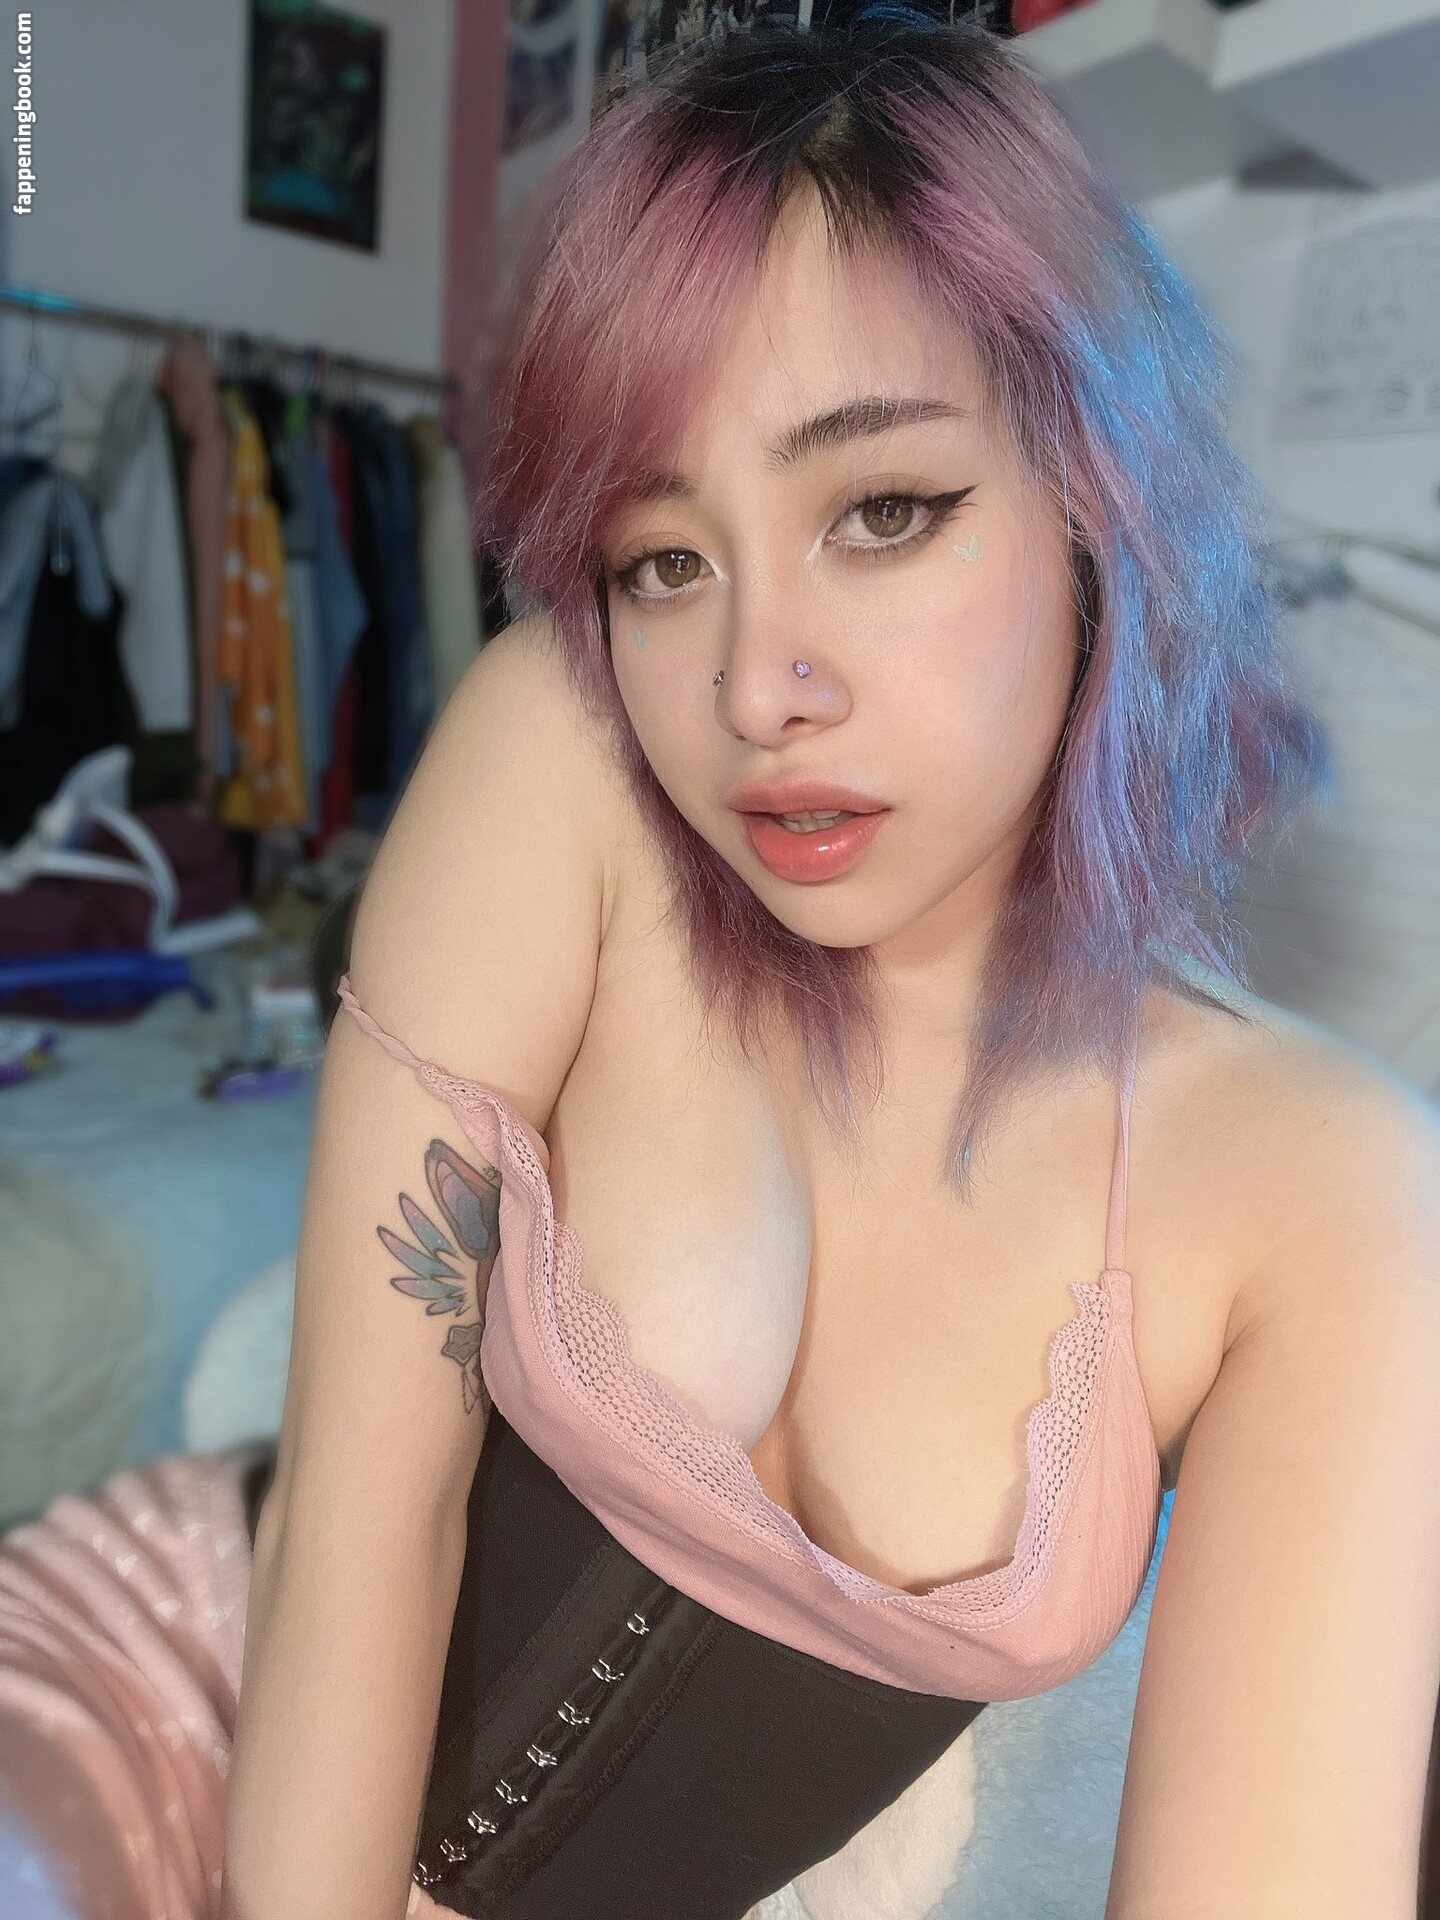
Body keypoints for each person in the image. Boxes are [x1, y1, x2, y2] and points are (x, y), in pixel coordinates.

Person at [3, 11, 1438, 1920]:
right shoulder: (565, 757)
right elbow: (361, 1515)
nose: (756, 686)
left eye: (884, 511)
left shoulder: (1329, 1191)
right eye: (662, 560)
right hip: (180, 1692)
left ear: (1101, 495)